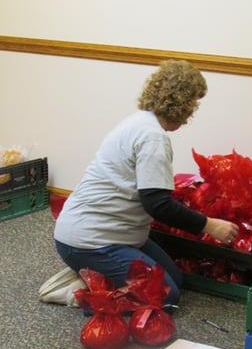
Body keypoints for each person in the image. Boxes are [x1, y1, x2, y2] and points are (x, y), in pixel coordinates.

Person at [54, 60, 239, 305]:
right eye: (192, 105)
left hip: (106, 234)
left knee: (174, 279)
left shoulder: (138, 121)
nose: (190, 116)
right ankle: (79, 292)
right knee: (165, 296)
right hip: (90, 242)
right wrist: (209, 225)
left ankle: (96, 274)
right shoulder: (152, 137)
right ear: (181, 105)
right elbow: (157, 204)